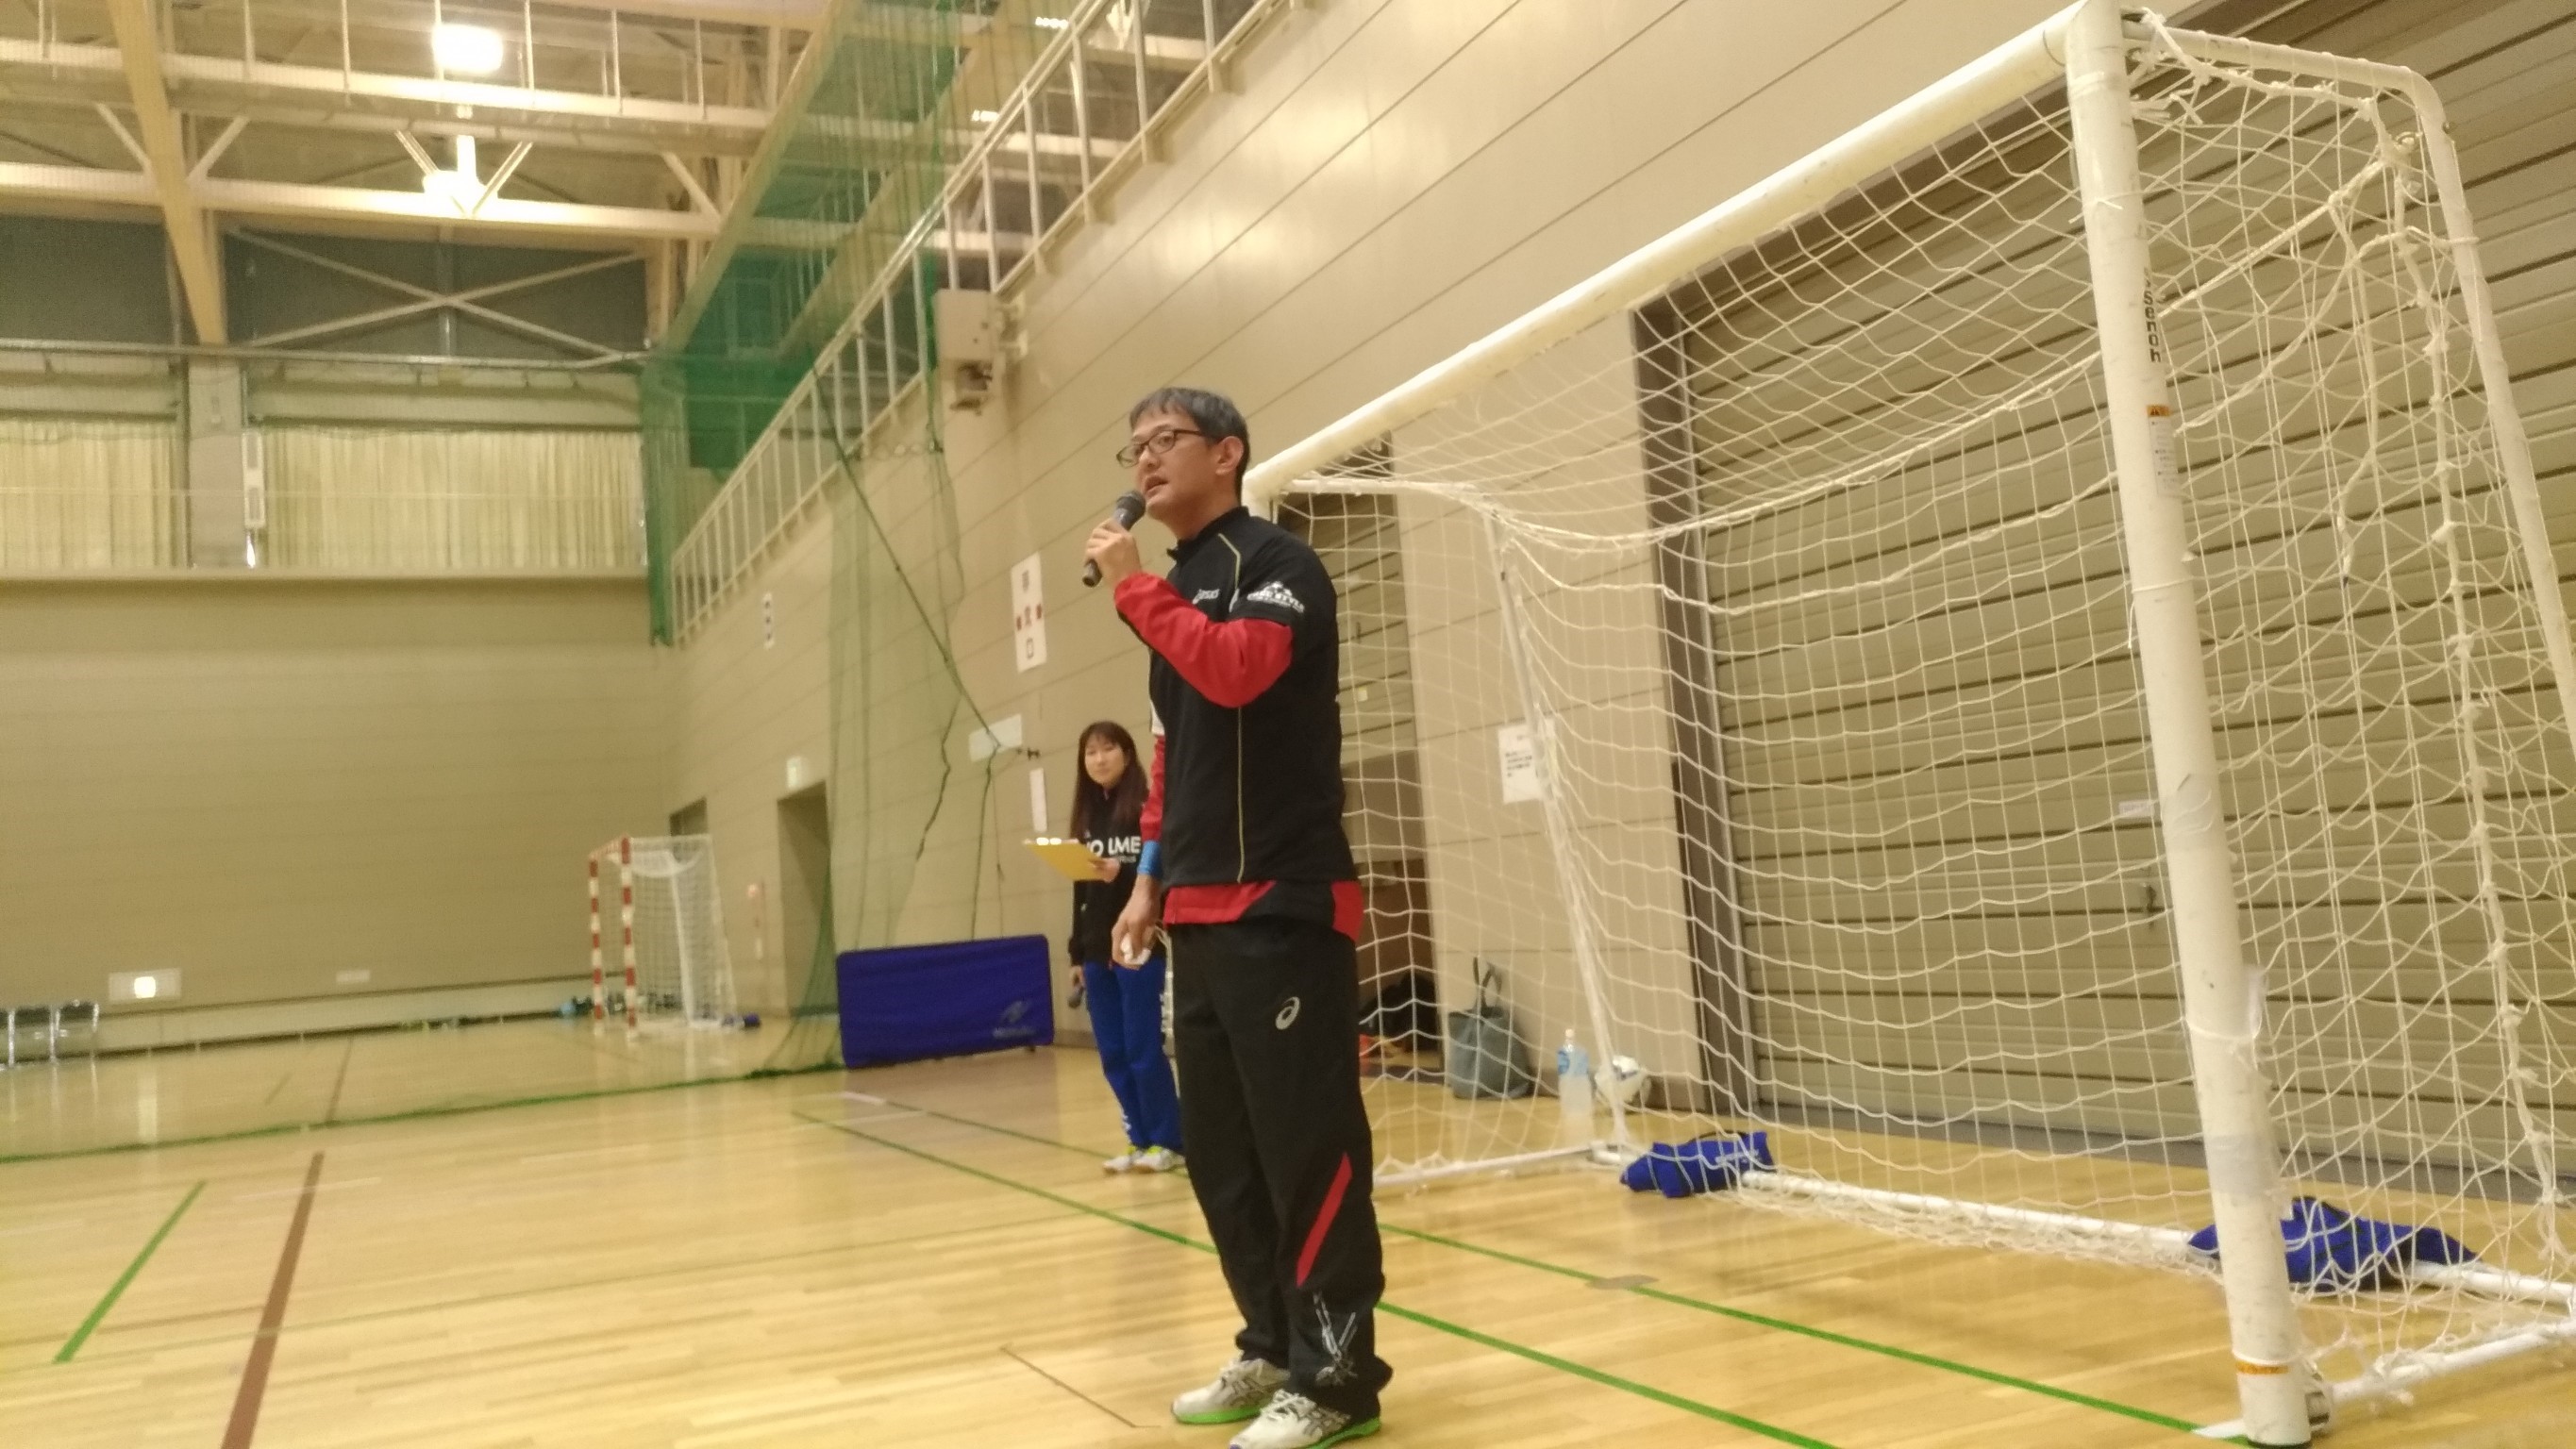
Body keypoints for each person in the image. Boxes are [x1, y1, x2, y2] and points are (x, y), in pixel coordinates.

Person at [1086, 387, 1390, 1449]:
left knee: (1305, 1149)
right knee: (1222, 1154)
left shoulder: (1280, 565)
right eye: (1134, 446)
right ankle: (1270, 1345)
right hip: (1199, 915)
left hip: (1284, 904)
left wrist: (1134, 592)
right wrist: (1148, 882)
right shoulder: (1173, 591)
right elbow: (1175, 757)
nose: (1144, 459)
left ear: (1228, 453)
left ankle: (1337, 1380)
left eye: (1164, 440)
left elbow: (1238, 670)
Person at [1066, 719, 1184, 1174]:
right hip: (1097, 952)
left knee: (1142, 1048)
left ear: (1128, 753)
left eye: (1108, 749)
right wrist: (1077, 955)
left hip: (1138, 944)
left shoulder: (1146, 809)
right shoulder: (1085, 818)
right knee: (1113, 1053)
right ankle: (1139, 1139)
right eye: (1090, 752)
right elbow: (1079, 892)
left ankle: (1168, 1141)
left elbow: (1163, 876)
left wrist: (1124, 874)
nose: (1099, 759)